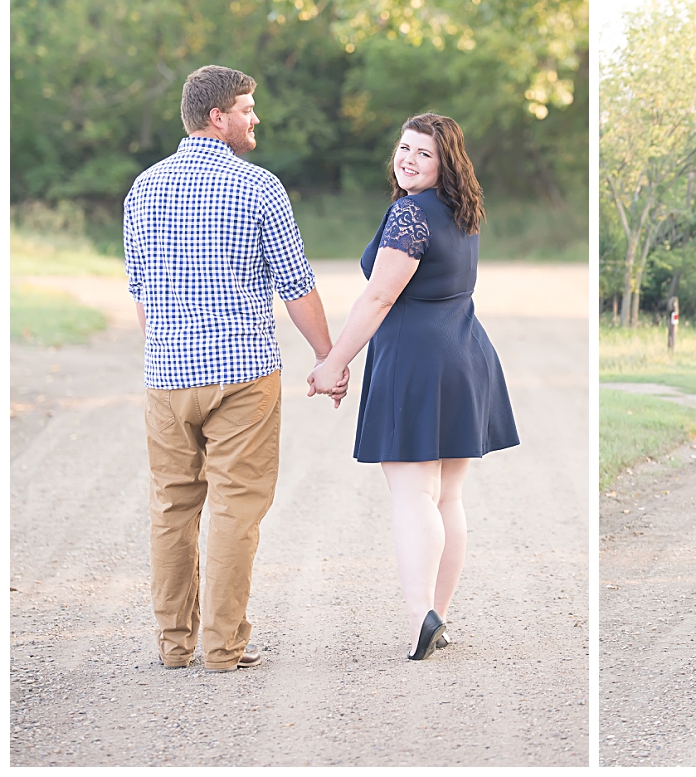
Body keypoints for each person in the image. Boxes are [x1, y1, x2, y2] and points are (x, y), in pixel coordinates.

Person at [124, 65, 347, 673]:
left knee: (172, 508)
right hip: (243, 373)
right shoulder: (259, 187)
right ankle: (222, 648)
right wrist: (329, 358)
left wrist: (168, 354)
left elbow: (142, 293)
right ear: (218, 117)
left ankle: (174, 647)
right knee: (234, 509)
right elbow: (296, 286)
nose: (256, 118)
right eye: (248, 107)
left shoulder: (142, 189)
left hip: (166, 375)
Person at [308, 112, 519, 661]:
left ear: (445, 162)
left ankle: (419, 615)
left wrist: (332, 362)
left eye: (424, 153)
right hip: (465, 352)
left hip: (416, 360)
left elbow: (378, 299)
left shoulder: (409, 216)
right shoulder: (460, 211)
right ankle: (437, 617)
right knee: (446, 495)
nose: (408, 159)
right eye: (404, 148)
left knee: (412, 493)